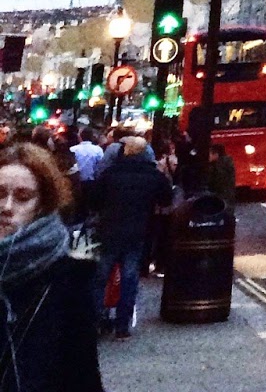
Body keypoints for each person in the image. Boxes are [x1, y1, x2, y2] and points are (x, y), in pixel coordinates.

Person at [0, 141, 104, 390]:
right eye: (0, 194)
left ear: (42, 205)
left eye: (23, 197)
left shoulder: (69, 280)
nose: (6, 207)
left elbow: (83, 376)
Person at [87, 136, 171, 339]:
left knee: (101, 278)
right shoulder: (152, 175)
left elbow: (93, 200)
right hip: (137, 231)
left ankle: (96, 322)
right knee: (129, 278)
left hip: (109, 230)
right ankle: (122, 327)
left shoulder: (110, 173)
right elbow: (166, 199)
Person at [204, 143, 236, 211]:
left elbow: (216, 181)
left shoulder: (218, 166)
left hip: (220, 195)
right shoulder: (227, 162)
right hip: (228, 194)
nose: (209, 156)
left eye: (210, 154)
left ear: (216, 154)